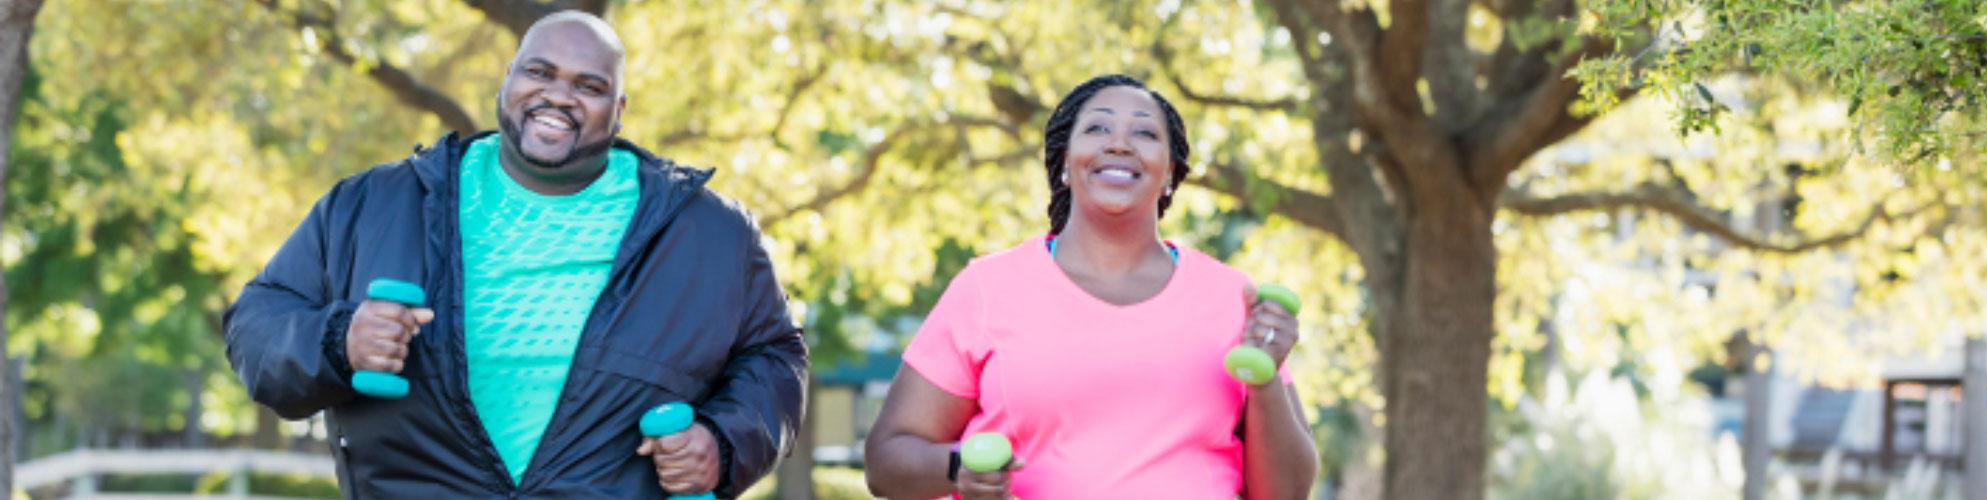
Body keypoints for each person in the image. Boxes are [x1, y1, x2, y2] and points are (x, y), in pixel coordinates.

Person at [222, 11, 806, 498]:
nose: (559, 95)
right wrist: (340, 340)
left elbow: (776, 357)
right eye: (540, 72)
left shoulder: (709, 233)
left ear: (619, 109)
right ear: (507, 79)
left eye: (589, 86)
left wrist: (723, 443)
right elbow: (256, 321)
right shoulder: (372, 204)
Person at [862, 74, 1318, 499]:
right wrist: (958, 466)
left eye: (1145, 133)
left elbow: (1287, 491)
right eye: (1097, 129)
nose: (1119, 144)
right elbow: (886, 462)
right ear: (1064, 163)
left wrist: (1264, 383)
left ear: (1170, 174)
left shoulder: (1231, 297)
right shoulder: (987, 289)